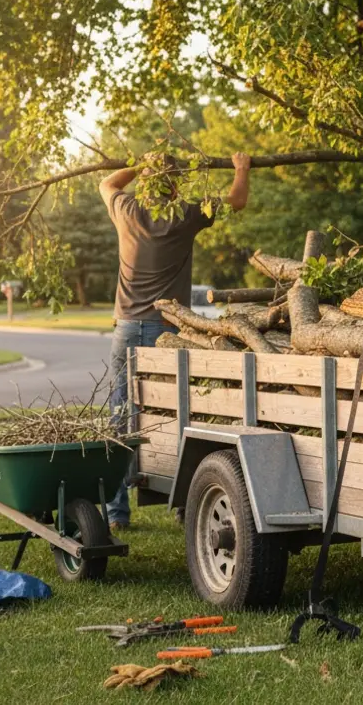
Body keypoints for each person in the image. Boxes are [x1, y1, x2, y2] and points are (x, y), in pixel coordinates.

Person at [102, 152, 252, 530]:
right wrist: (241, 169)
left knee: (121, 415)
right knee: (176, 414)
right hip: (165, 332)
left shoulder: (127, 210)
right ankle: (187, 502)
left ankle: (117, 512)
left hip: (125, 327)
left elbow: (108, 183)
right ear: (174, 185)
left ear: (148, 183)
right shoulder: (183, 215)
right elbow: (237, 201)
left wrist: (139, 163)